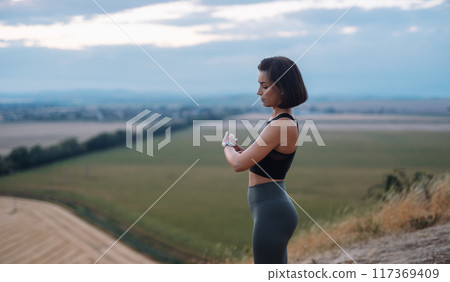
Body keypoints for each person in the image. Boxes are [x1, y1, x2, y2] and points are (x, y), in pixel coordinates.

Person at [222, 56, 308, 264]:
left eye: (265, 86)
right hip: (269, 208)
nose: (258, 92)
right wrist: (246, 152)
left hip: (272, 211)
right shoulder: (277, 120)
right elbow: (262, 158)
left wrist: (227, 145)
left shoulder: (281, 125)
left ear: (283, 88)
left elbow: (238, 164)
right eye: (259, 85)